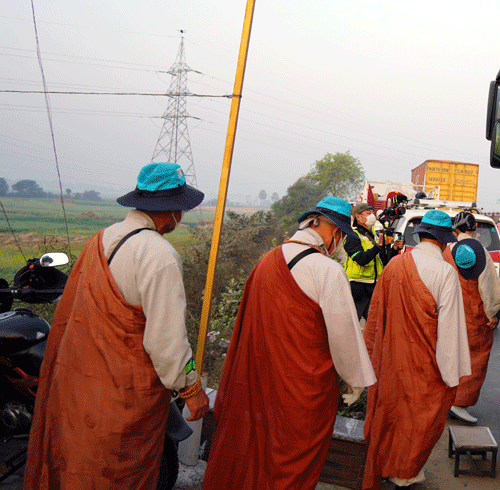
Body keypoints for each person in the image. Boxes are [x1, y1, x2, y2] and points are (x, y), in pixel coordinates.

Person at [25, 162, 209, 490]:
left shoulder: (101, 240)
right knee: (119, 476)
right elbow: (168, 344)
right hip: (124, 401)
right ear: (173, 210)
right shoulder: (160, 255)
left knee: (76, 467)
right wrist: (191, 388)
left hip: (79, 390)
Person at [202, 196, 376, 490]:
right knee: (290, 465)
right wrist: (355, 380)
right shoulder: (328, 271)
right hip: (300, 390)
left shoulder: (267, 260)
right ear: (335, 233)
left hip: (258, 382)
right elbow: (345, 336)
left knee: (254, 455)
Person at [362, 210, 471, 489]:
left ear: (421, 235)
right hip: (427, 365)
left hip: (392, 361)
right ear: (444, 241)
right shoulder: (445, 272)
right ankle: (406, 471)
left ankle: (387, 465)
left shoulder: (395, 265)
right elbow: (450, 331)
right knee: (419, 419)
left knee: (393, 414)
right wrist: (451, 375)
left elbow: (375, 318)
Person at [443, 216, 500, 424]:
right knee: (474, 358)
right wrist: (492, 314)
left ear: (455, 230)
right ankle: (459, 402)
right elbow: (488, 288)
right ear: (474, 227)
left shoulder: (447, 251)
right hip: (473, 315)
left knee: (451, 354)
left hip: (451, 311)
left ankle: (447, 397)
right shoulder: (479, 251)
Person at [344, 201, 402, 320]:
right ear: (359, 217)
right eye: (368, 213)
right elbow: (361, 259)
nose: (372, 216)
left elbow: (383, 261)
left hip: (372, 286)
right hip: (357, 286)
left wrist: (394, 249)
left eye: (373, 213)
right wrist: (380, 246)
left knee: (375, 324)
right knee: (352, 324)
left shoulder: (374, 235)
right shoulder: (352, 236)